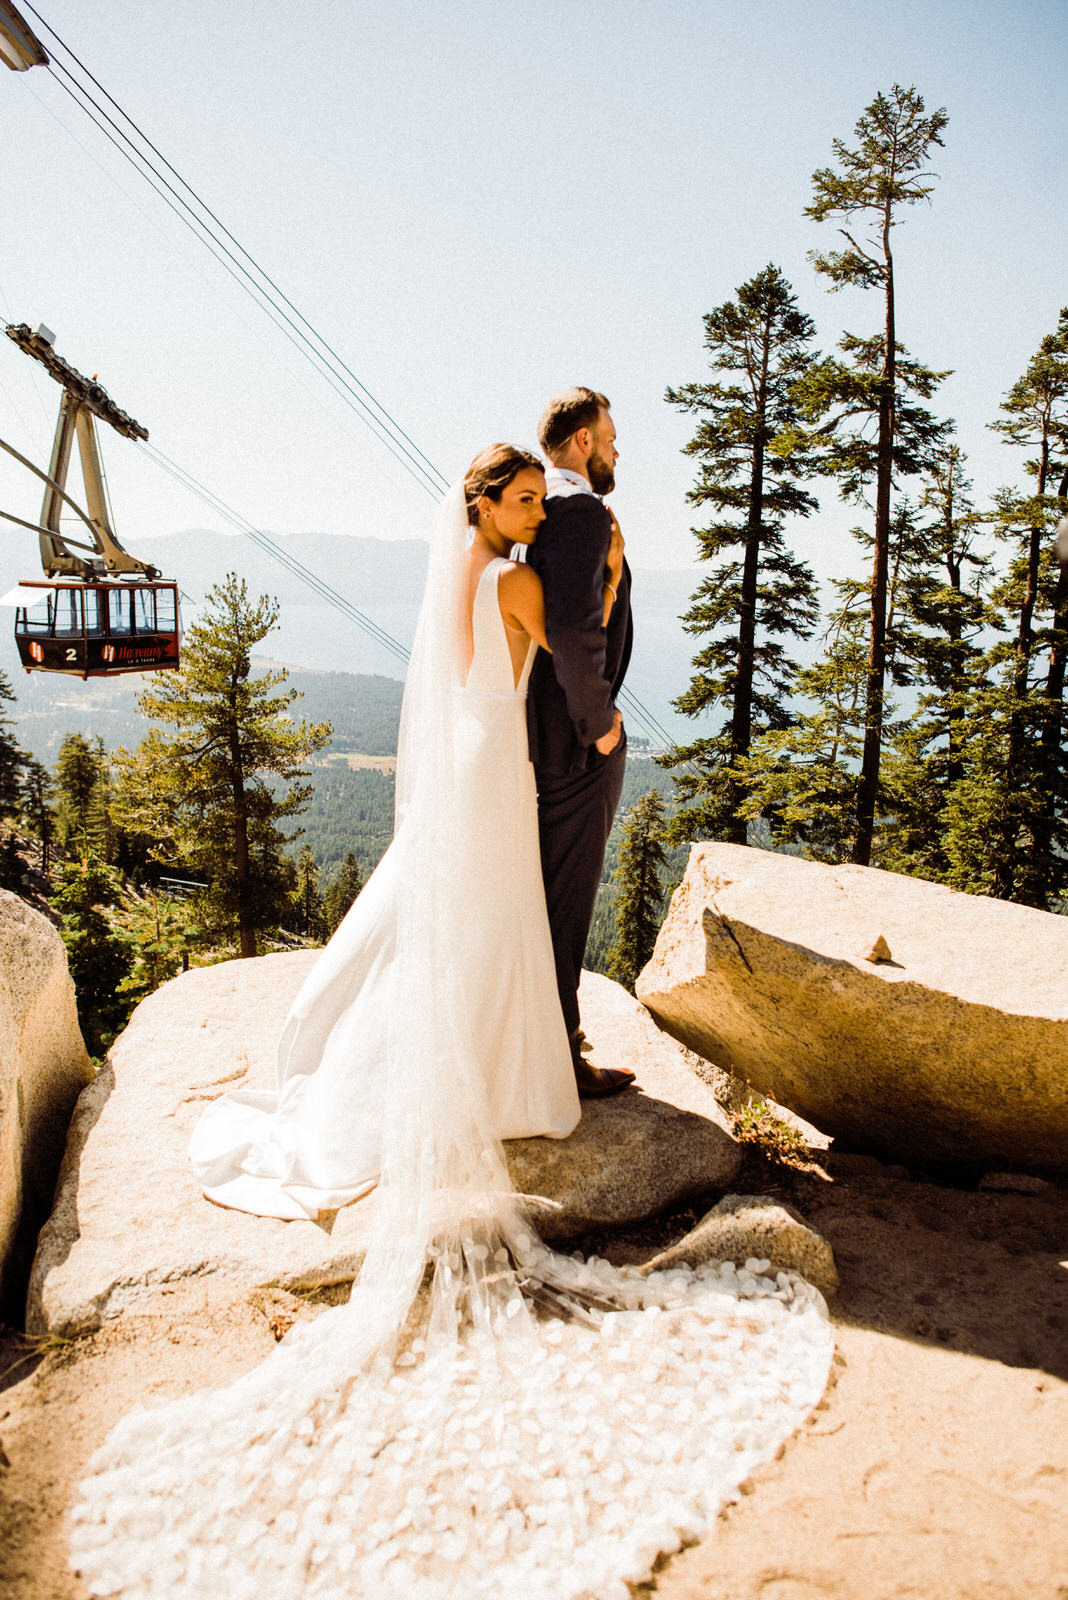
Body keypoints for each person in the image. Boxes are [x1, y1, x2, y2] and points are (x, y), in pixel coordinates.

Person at [69, 448, 833, 1600]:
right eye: (521, 501)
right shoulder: (520, 579)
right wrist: (610, 573)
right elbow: (569, 638)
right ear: (482, 507)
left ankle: (434, 1049)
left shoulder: (464, 569)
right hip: (496, 768)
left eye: (539, 500)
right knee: (497, 919)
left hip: (464, 763)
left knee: (454, 920)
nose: (536, 516)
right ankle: (507, 1069)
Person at [526, 387, 635, 1097]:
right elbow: (569, 629)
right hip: (572, 744)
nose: (618, 450)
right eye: (613, 437)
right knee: (566, 901)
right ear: (585, 442)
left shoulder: (541, 513)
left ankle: (542, 1030)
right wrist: (601, 729)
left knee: (545, 895)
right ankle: (558, 1057)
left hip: (547, 738)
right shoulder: (578, 511)